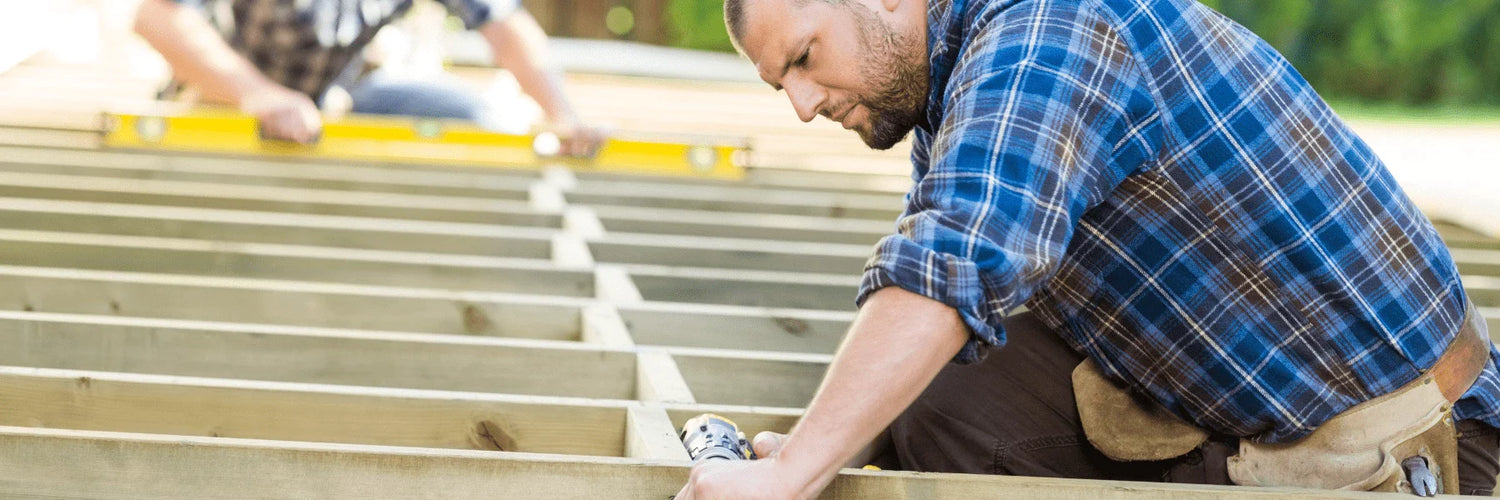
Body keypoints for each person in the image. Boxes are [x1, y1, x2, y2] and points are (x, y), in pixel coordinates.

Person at [675, 0, 1500, 498]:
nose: (802, 106)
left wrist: (789, 478)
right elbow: (952, 307)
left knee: (936, 346)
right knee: (943, 393)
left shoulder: (1048, 29)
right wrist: (825, 448)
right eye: (780, 84)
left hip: (1405, 449)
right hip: (1245, 417)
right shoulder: (952, 90)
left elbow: (955, 257)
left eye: (806, 60)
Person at [133, 0, 602, 156]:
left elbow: (505, 24)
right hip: (220, 97)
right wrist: (260, 97)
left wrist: (563, 116)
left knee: (478, 117)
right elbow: (157, 17)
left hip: (331, 100)